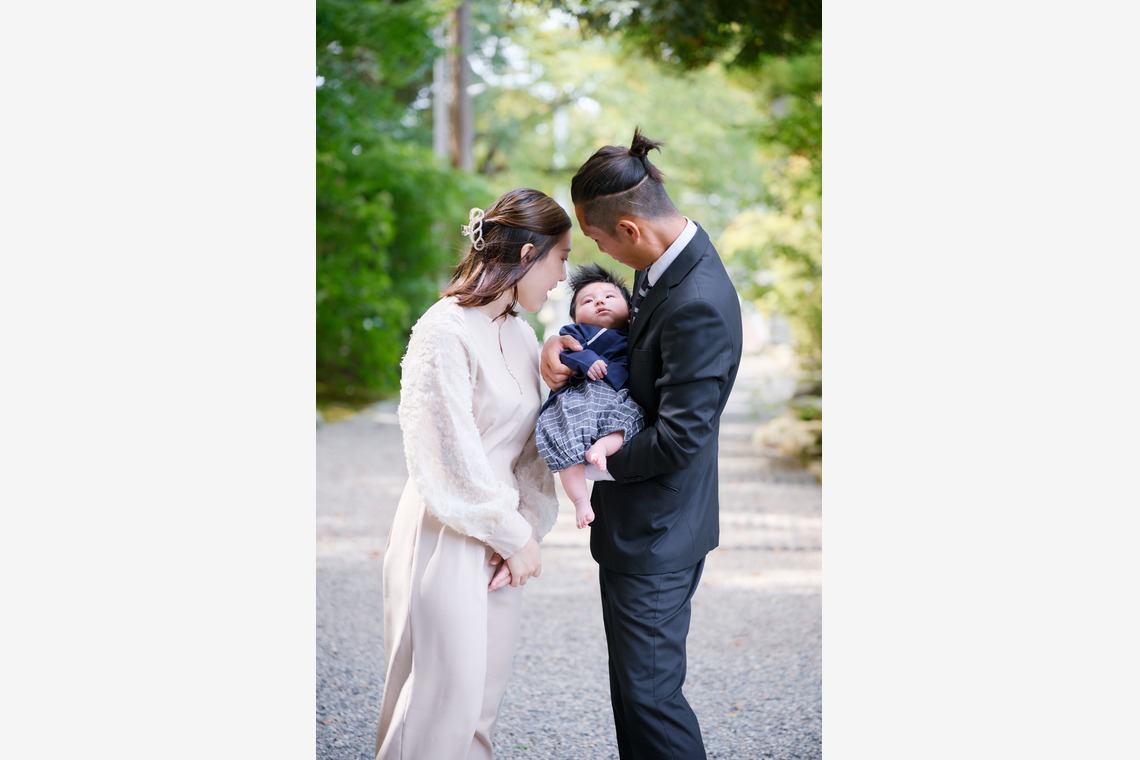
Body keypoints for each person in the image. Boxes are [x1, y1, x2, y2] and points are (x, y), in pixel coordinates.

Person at [541, 129, 743, 759]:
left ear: (628, 228)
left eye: (598, 239)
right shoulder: (661, 266)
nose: (598, 253)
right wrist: (560, 344)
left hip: (659, 529)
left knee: (652, 700)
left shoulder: (697, 300)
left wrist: (589, 464)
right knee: (633, 693)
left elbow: (680, 437)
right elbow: (619, 343)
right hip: (639, 523)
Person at [376, 187, 571, 760]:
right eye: (561, 258)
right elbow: (446, 453)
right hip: (448, 529)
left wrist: (525, 530)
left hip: (504, 537)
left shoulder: (520, 333)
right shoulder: (445, 330)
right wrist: (512, 535)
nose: (563, 276)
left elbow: (529, 447)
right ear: (529, 254)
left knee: (482, 705)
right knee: (438, 705)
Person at [534, 263, 645, 529]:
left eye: (609, 296)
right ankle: (581, 501)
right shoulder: (578, 334)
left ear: (630, 311)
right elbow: (565, 353)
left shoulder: (635, 335)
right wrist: (587, 359)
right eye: (588, 301)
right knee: (566, 438)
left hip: (617, 398)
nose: (599, 302)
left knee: (629, 421)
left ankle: (601, 448)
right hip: (582, 396)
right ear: (575, 318)